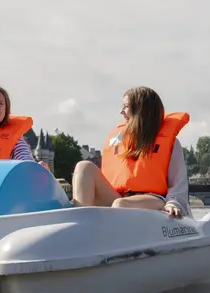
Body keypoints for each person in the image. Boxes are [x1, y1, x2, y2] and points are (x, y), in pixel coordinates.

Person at [72, 87, 189, 217]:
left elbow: (178, 183)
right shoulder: (119, 141)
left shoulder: (171, 143)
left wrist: (173, 203)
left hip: (153, 199)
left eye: (126, 107)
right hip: (118, 198)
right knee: (83, 166)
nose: (122, 112)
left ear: (140, 110)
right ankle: (79, 218)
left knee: (121, 205)